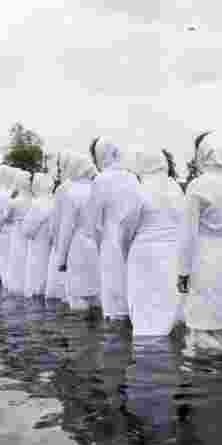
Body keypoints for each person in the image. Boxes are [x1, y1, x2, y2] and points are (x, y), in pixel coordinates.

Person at [177, 134, 222, 350]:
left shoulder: (197, 186)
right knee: (219, 324)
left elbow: (188, 234)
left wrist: (183, 271)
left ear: (203, 154)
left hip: (205, 255)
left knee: (200, 328)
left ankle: (208, 373)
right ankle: (221, 372)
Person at [118, 148, 185, 337]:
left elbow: (125, 228)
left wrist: (126, 254)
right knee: (168, 306)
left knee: (145, 309)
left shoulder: (139, 190)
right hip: (173, 255)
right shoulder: (176, 189)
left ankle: (147, 353)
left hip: (144, 256)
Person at [87, 136, 141, 321]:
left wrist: (96, 244)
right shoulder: (133, 178)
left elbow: (94, 221)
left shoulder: (101, 180)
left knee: (112, 296)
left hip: (109, 242)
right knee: (129, 292)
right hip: (132, 242)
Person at [53, 153, 101, 313]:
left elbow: (66, 229)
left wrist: (61, 259)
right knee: (97, 299)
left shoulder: (72, 193)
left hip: (78, 249)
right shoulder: (99, 189)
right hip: (97, 247)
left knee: (78, 299)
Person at [21, 172, 54, 298]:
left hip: (37, 243)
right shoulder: (54, 200)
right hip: (50, 244)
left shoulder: (37, 203)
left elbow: (27, 229)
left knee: (36, 273)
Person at [1, 169, 33, 295]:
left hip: (17, 232)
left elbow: (5, 218)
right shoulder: (34, 201)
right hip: (30, 233)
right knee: (27, 257)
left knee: (17, 257)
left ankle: (17, 285)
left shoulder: (13, 202)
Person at [44, 158, 69, 302]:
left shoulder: (62, 189)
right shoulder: (88, 185)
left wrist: (53, 237)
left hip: (62, 238)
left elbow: (55, 219)